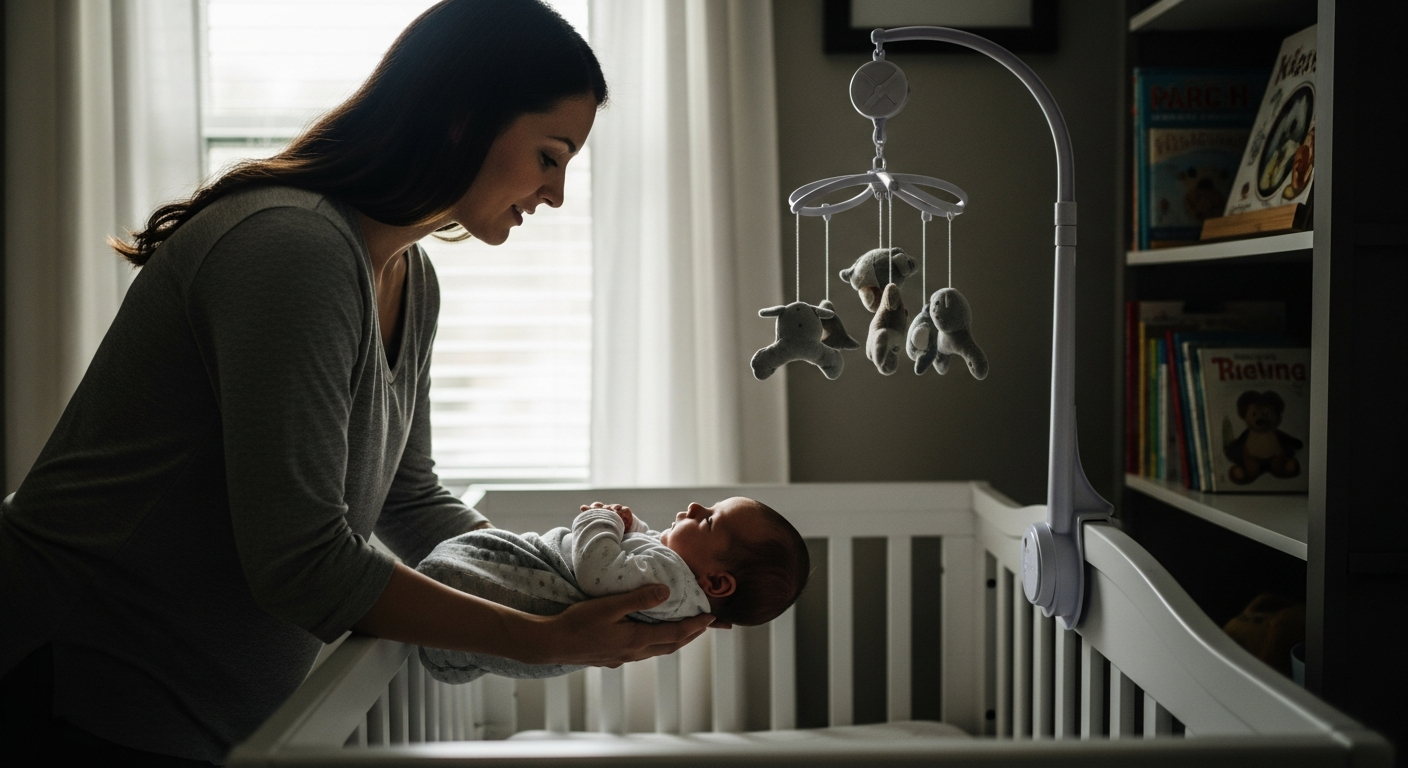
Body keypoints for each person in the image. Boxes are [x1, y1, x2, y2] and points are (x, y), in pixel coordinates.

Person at [0, 1, 715, 764]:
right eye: (551, 155)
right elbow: (301, 561)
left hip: (196, 709)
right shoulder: (292, 249)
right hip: (69, 678)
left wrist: (564, 580)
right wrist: (537, 640)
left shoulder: (411, 275)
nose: (557, 194)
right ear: (463, 118)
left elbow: (407, 499)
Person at [415, 498, 811, 683]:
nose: (693, 507)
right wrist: (630, 526)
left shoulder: (671, 583)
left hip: (548, 584)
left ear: (718, 582)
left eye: (708, 521)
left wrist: (600, 520)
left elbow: (597, 573)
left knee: (460, 579)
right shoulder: (678, 585)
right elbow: (643, 551)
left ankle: (441, 592)